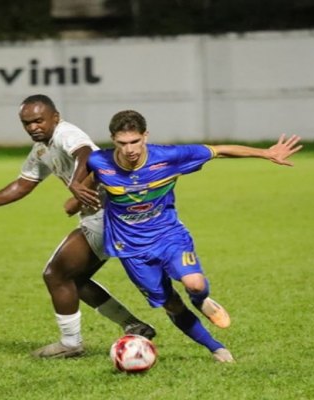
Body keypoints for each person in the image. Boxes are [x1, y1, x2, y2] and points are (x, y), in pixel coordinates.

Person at [0, 95, 155, 359]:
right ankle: (134, 325)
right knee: (75, 278)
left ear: (55, 117)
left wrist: (76, 187)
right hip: (101, 216)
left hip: (108, 215)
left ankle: (71, 343)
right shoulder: (42, 149)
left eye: (39, 120)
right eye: (26, 123)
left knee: (55, 274)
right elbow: (21, 185)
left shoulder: (67, 133)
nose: (33, 127)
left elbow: (86, 154)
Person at [80, 110, 302, 363]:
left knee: (194, 284)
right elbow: (89, 179)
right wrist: (77, 199)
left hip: (168, 235)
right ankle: (216, 348)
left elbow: (220, 150)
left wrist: (266, 153)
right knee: (171, 304)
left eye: (135, 141)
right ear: (113, 140)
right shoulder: (99, 160)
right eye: (122, 143)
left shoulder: (169, 157)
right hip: (131, 249)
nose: (129, 149)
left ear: (145, 136)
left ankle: (201, 300)